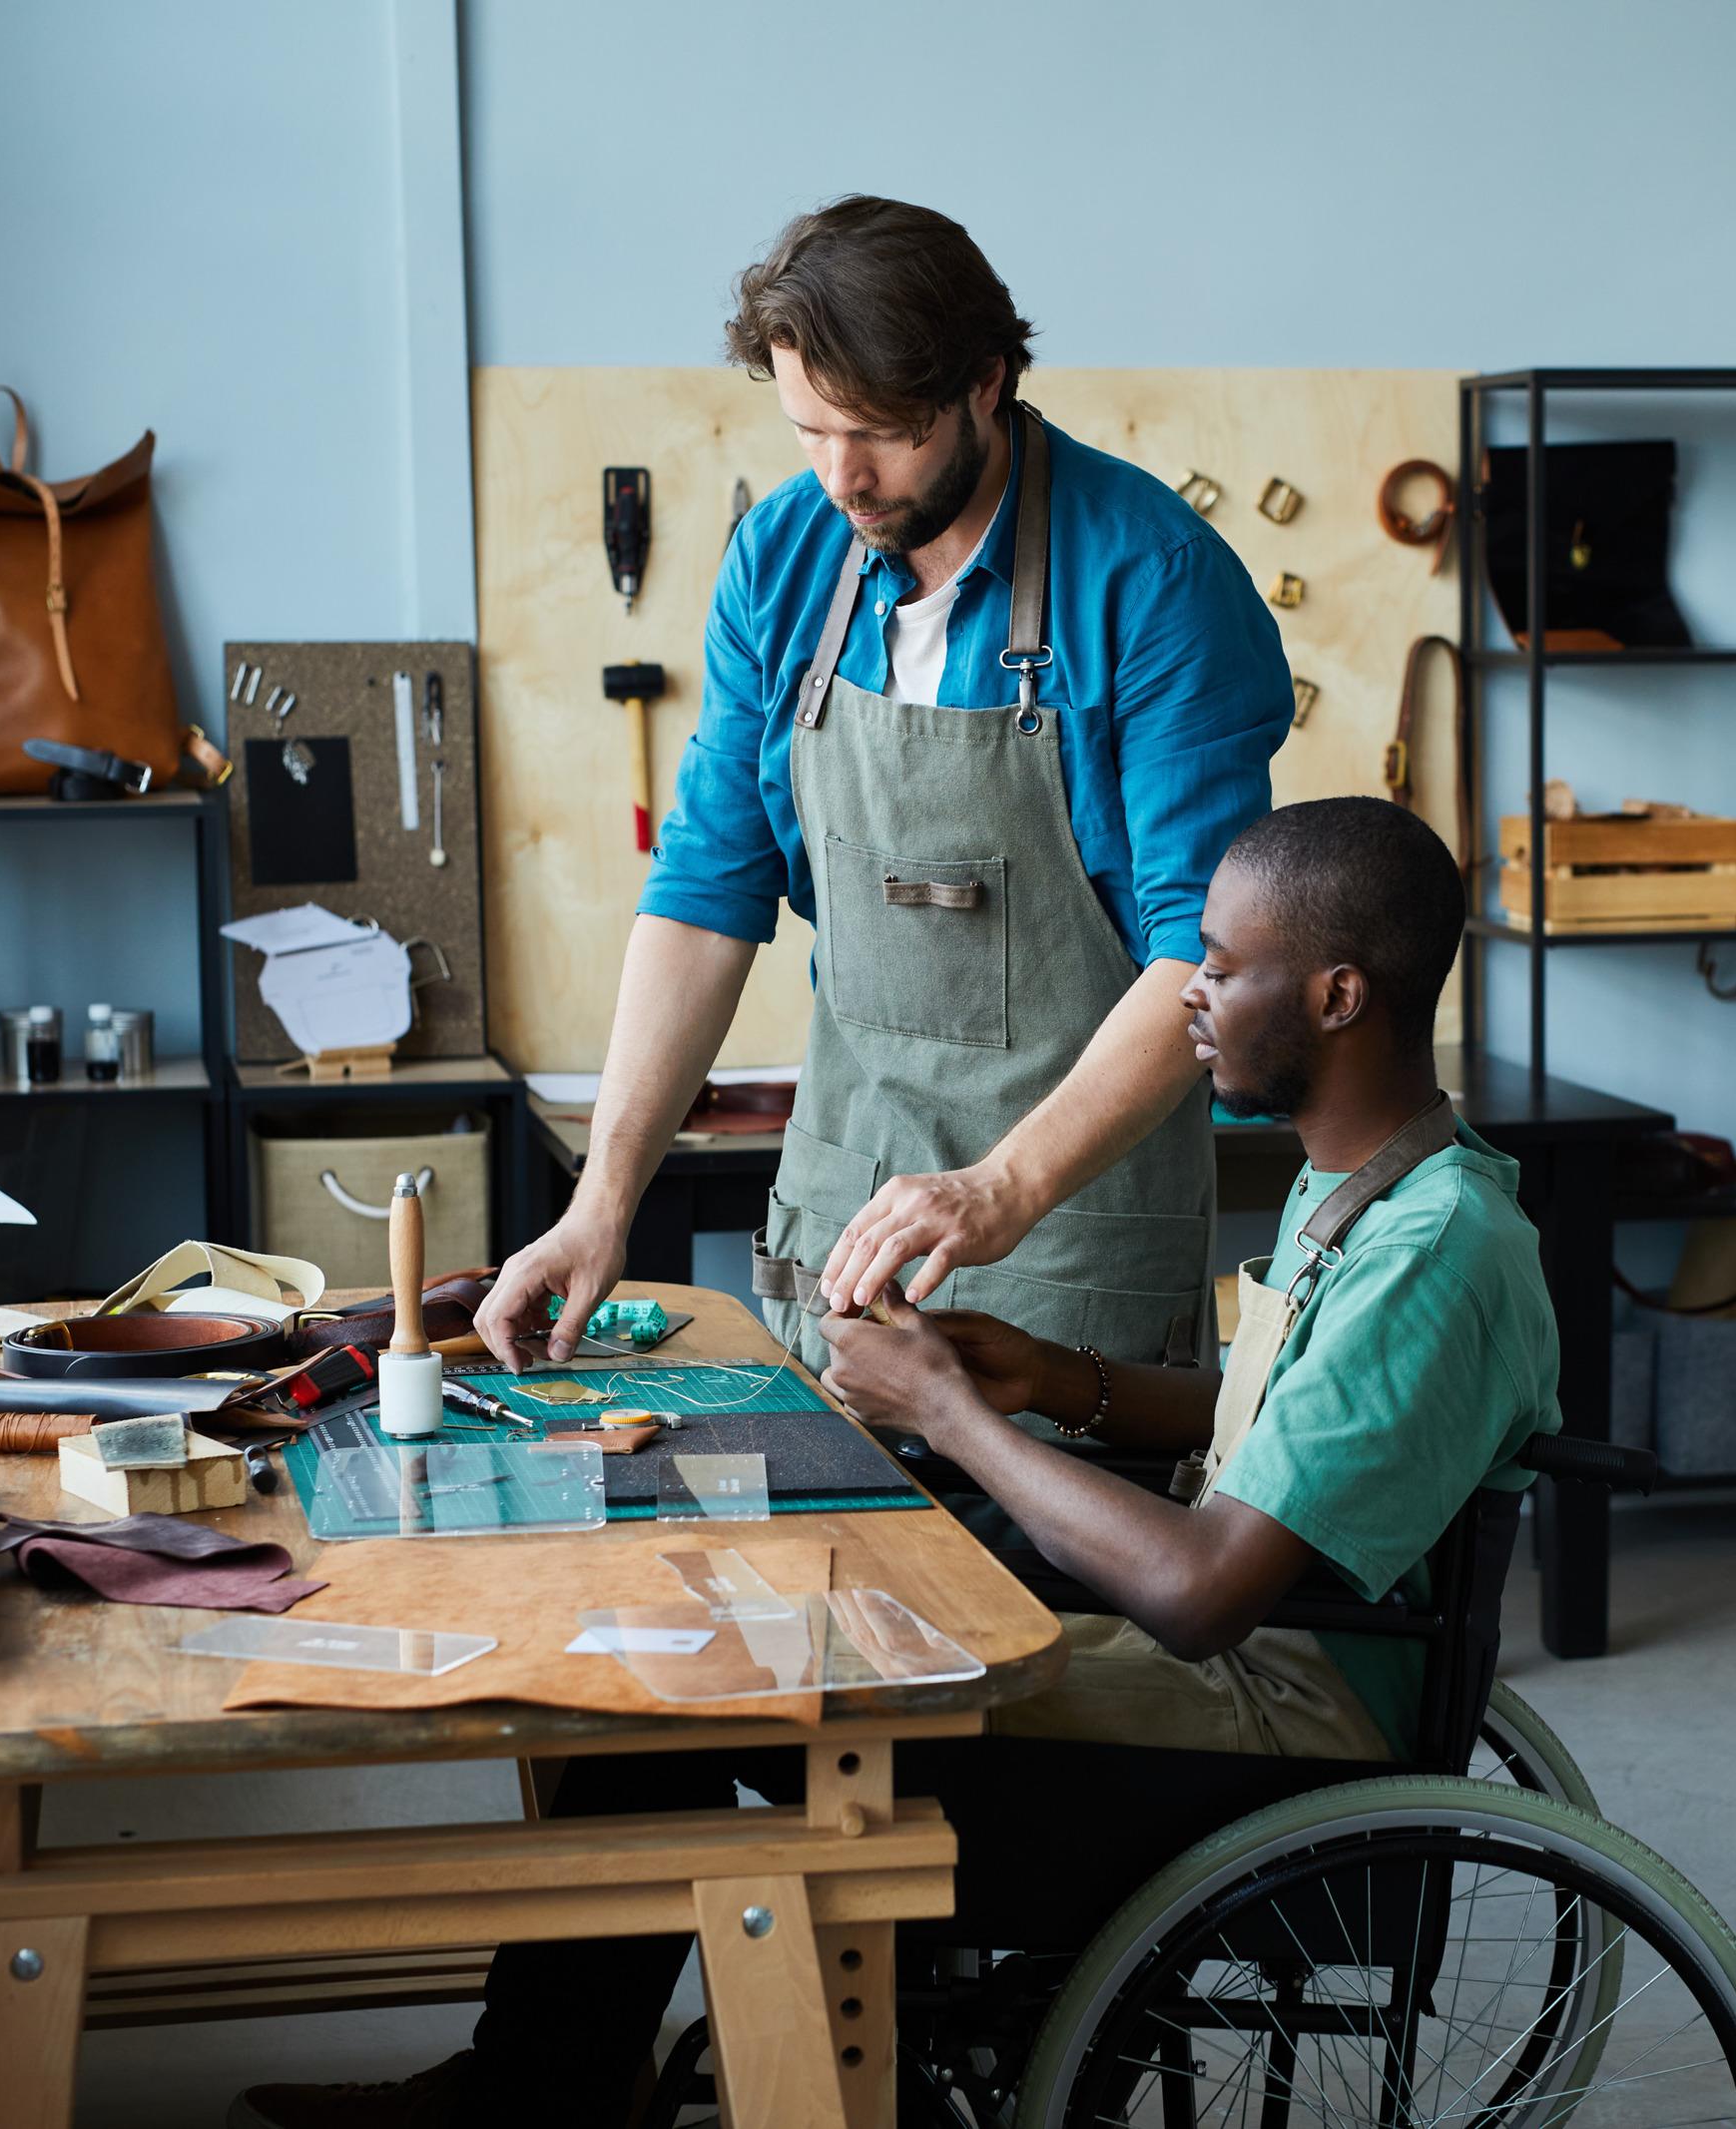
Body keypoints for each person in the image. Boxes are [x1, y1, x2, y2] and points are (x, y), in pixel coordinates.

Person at [231, 799, 1563, 2129]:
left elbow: (1208, 1589)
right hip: (1231, 1671)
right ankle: (547, 2083)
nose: (1193, 996)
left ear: (1337, 996)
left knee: (780, 1691)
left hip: (1278, 1725)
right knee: (697, 1650)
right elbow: (1287, 1431)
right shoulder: (1366, 1186)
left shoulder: (1436, 1248)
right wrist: (1054, 1381)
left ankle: (678, 2080)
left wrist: (954, 1408)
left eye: (1221, 966)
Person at [474, 196, 1292, 1380]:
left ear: (986, 381)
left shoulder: (1154, 582)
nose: (842, 476)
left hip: (1067, 1241)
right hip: (841, 1227)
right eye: (809, 430)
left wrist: (1002, 1187)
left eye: (880, 433)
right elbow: (707, 887)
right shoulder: (782, 556)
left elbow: (1196, 956)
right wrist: (601, 1203)